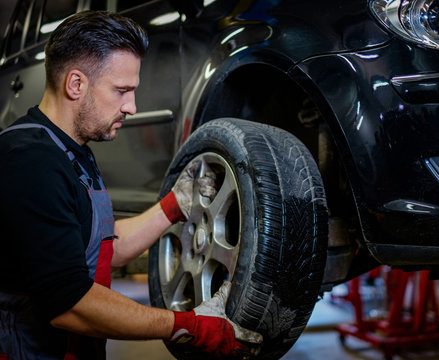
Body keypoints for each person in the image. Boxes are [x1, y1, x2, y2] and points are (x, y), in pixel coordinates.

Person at [0, 10, 261, 360]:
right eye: (122, 91)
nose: (132, 107)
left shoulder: (71, 151)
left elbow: (101, 250)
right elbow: (70, 304)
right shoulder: (30, 160)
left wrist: (172, 206)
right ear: (75, 84)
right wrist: (188, 325)